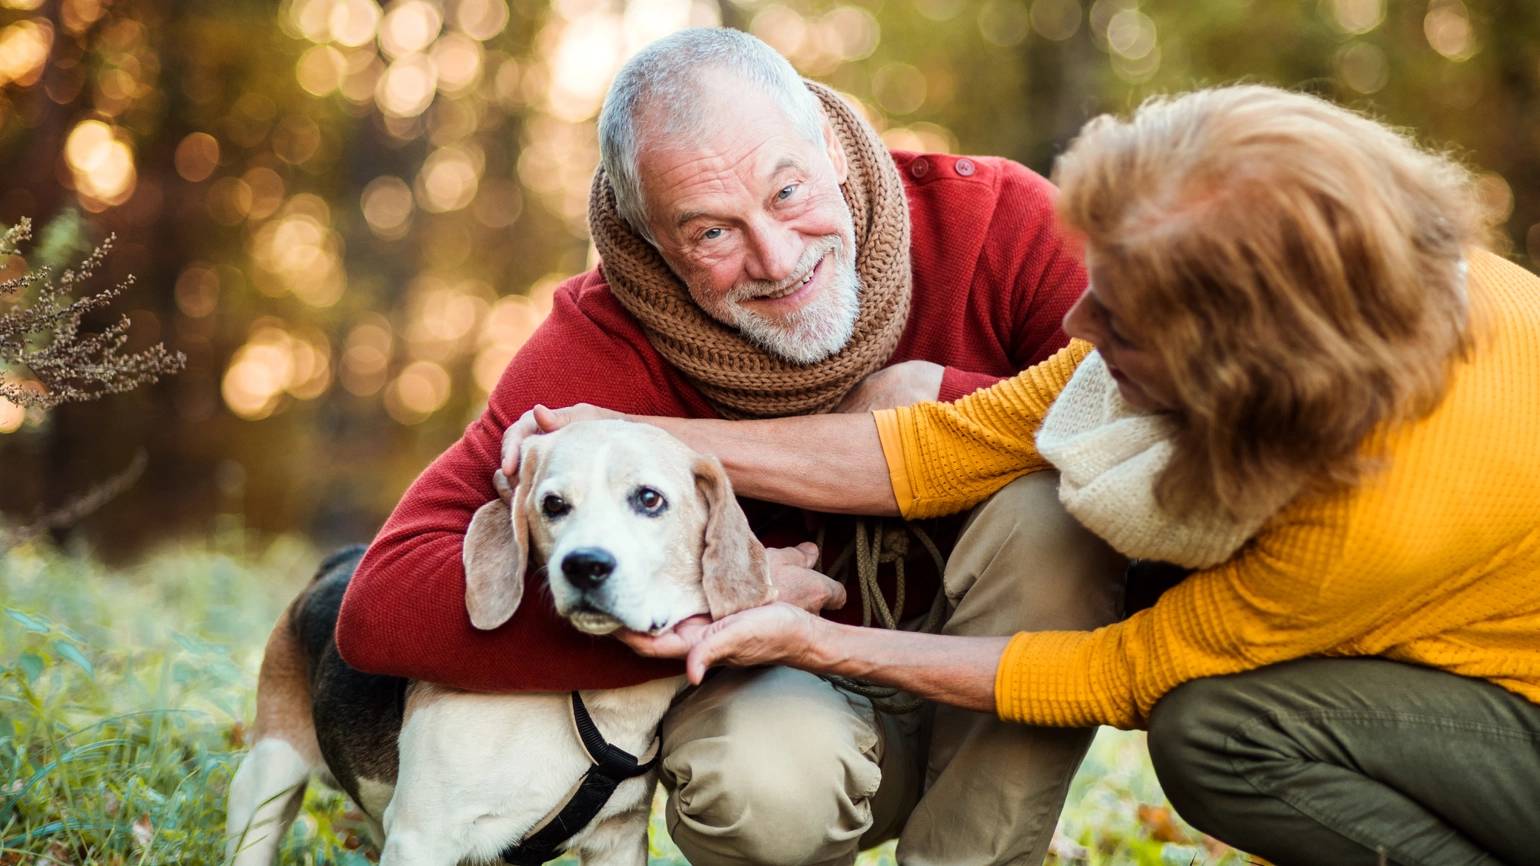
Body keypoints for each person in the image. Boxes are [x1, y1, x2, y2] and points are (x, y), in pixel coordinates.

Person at [512, 86, 1540, 864]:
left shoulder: (1363, 521)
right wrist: (629, 433)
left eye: (1120, 326)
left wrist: (819, 637)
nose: (1079, 328)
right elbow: (949, 442)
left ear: (1241, 376)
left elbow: (1110, 673)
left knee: (1216, 731)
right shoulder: (1393, 285)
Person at [338, 27, 1128, 866]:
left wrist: (943, 406)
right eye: (711, 234)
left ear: (827, 141)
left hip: (991, 710)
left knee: (1055, 505)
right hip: (785, 710)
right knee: (761, 781)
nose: (778, 259)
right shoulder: (601, 345)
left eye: (787, 192)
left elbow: (1158, 414)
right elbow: (380, 605)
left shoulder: (997, 223)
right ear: (652, 243)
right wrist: (704, 596)